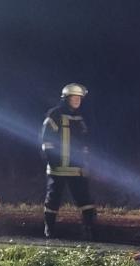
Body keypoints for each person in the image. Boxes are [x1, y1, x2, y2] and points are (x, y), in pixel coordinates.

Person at [40, 83, 95, 239]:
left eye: (79, 98)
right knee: (53, 199)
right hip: (57, 168)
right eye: (74, 97)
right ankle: (49, 229)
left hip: (77, 168)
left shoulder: (80, 118)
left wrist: (86, 162)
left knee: (85, 199)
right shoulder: (54, 115)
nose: (77, 101)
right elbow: (46, 141)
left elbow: (85, 143)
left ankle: (89, 229)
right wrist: (52, 160)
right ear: (66, 98)